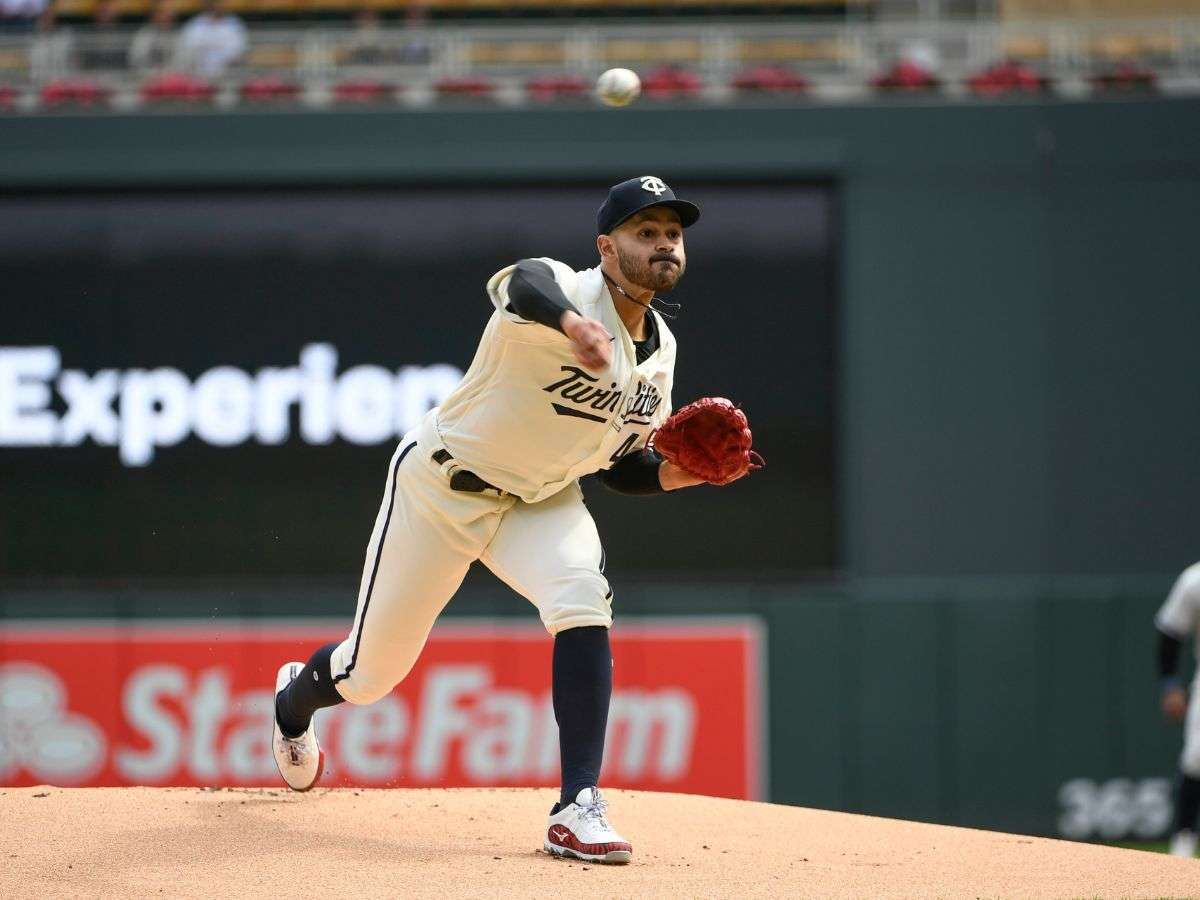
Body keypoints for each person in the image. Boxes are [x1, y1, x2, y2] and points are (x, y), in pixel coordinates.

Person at [270, 176, 743, 865]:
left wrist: (679, 472)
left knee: (583, 597)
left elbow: (614, 466)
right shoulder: (561, 288)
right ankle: (291, 705)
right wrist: (573, 324)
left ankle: (577, 807)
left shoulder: (659, 354)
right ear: (607, 248)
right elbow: (519, 284)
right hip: (442, 488)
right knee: (370, 676)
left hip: (542, 501)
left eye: (673, 233)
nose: (665, 243)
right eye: (647, 232)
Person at [1155, 562, 1200, 857]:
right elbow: (1170, 632)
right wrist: (1170, 684)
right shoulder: (1195, 580)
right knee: (1197, 758)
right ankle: (1182, 848)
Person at [176, 0, 244, 79]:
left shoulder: (234, 24)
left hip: (227, 76)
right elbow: (187, 49)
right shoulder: (195, 24)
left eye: (219, 3)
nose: (217, 6)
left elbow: (239, 50)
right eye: (213, 2)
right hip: (197, 75)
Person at [129, 0, 177, 71]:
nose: (167, 16)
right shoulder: (143, 36)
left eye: (169, 12)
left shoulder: (176, 35)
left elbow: (181, 62)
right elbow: (136, 62)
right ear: (153, 14)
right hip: (147, 78)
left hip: (173, 77)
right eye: (162, 12)